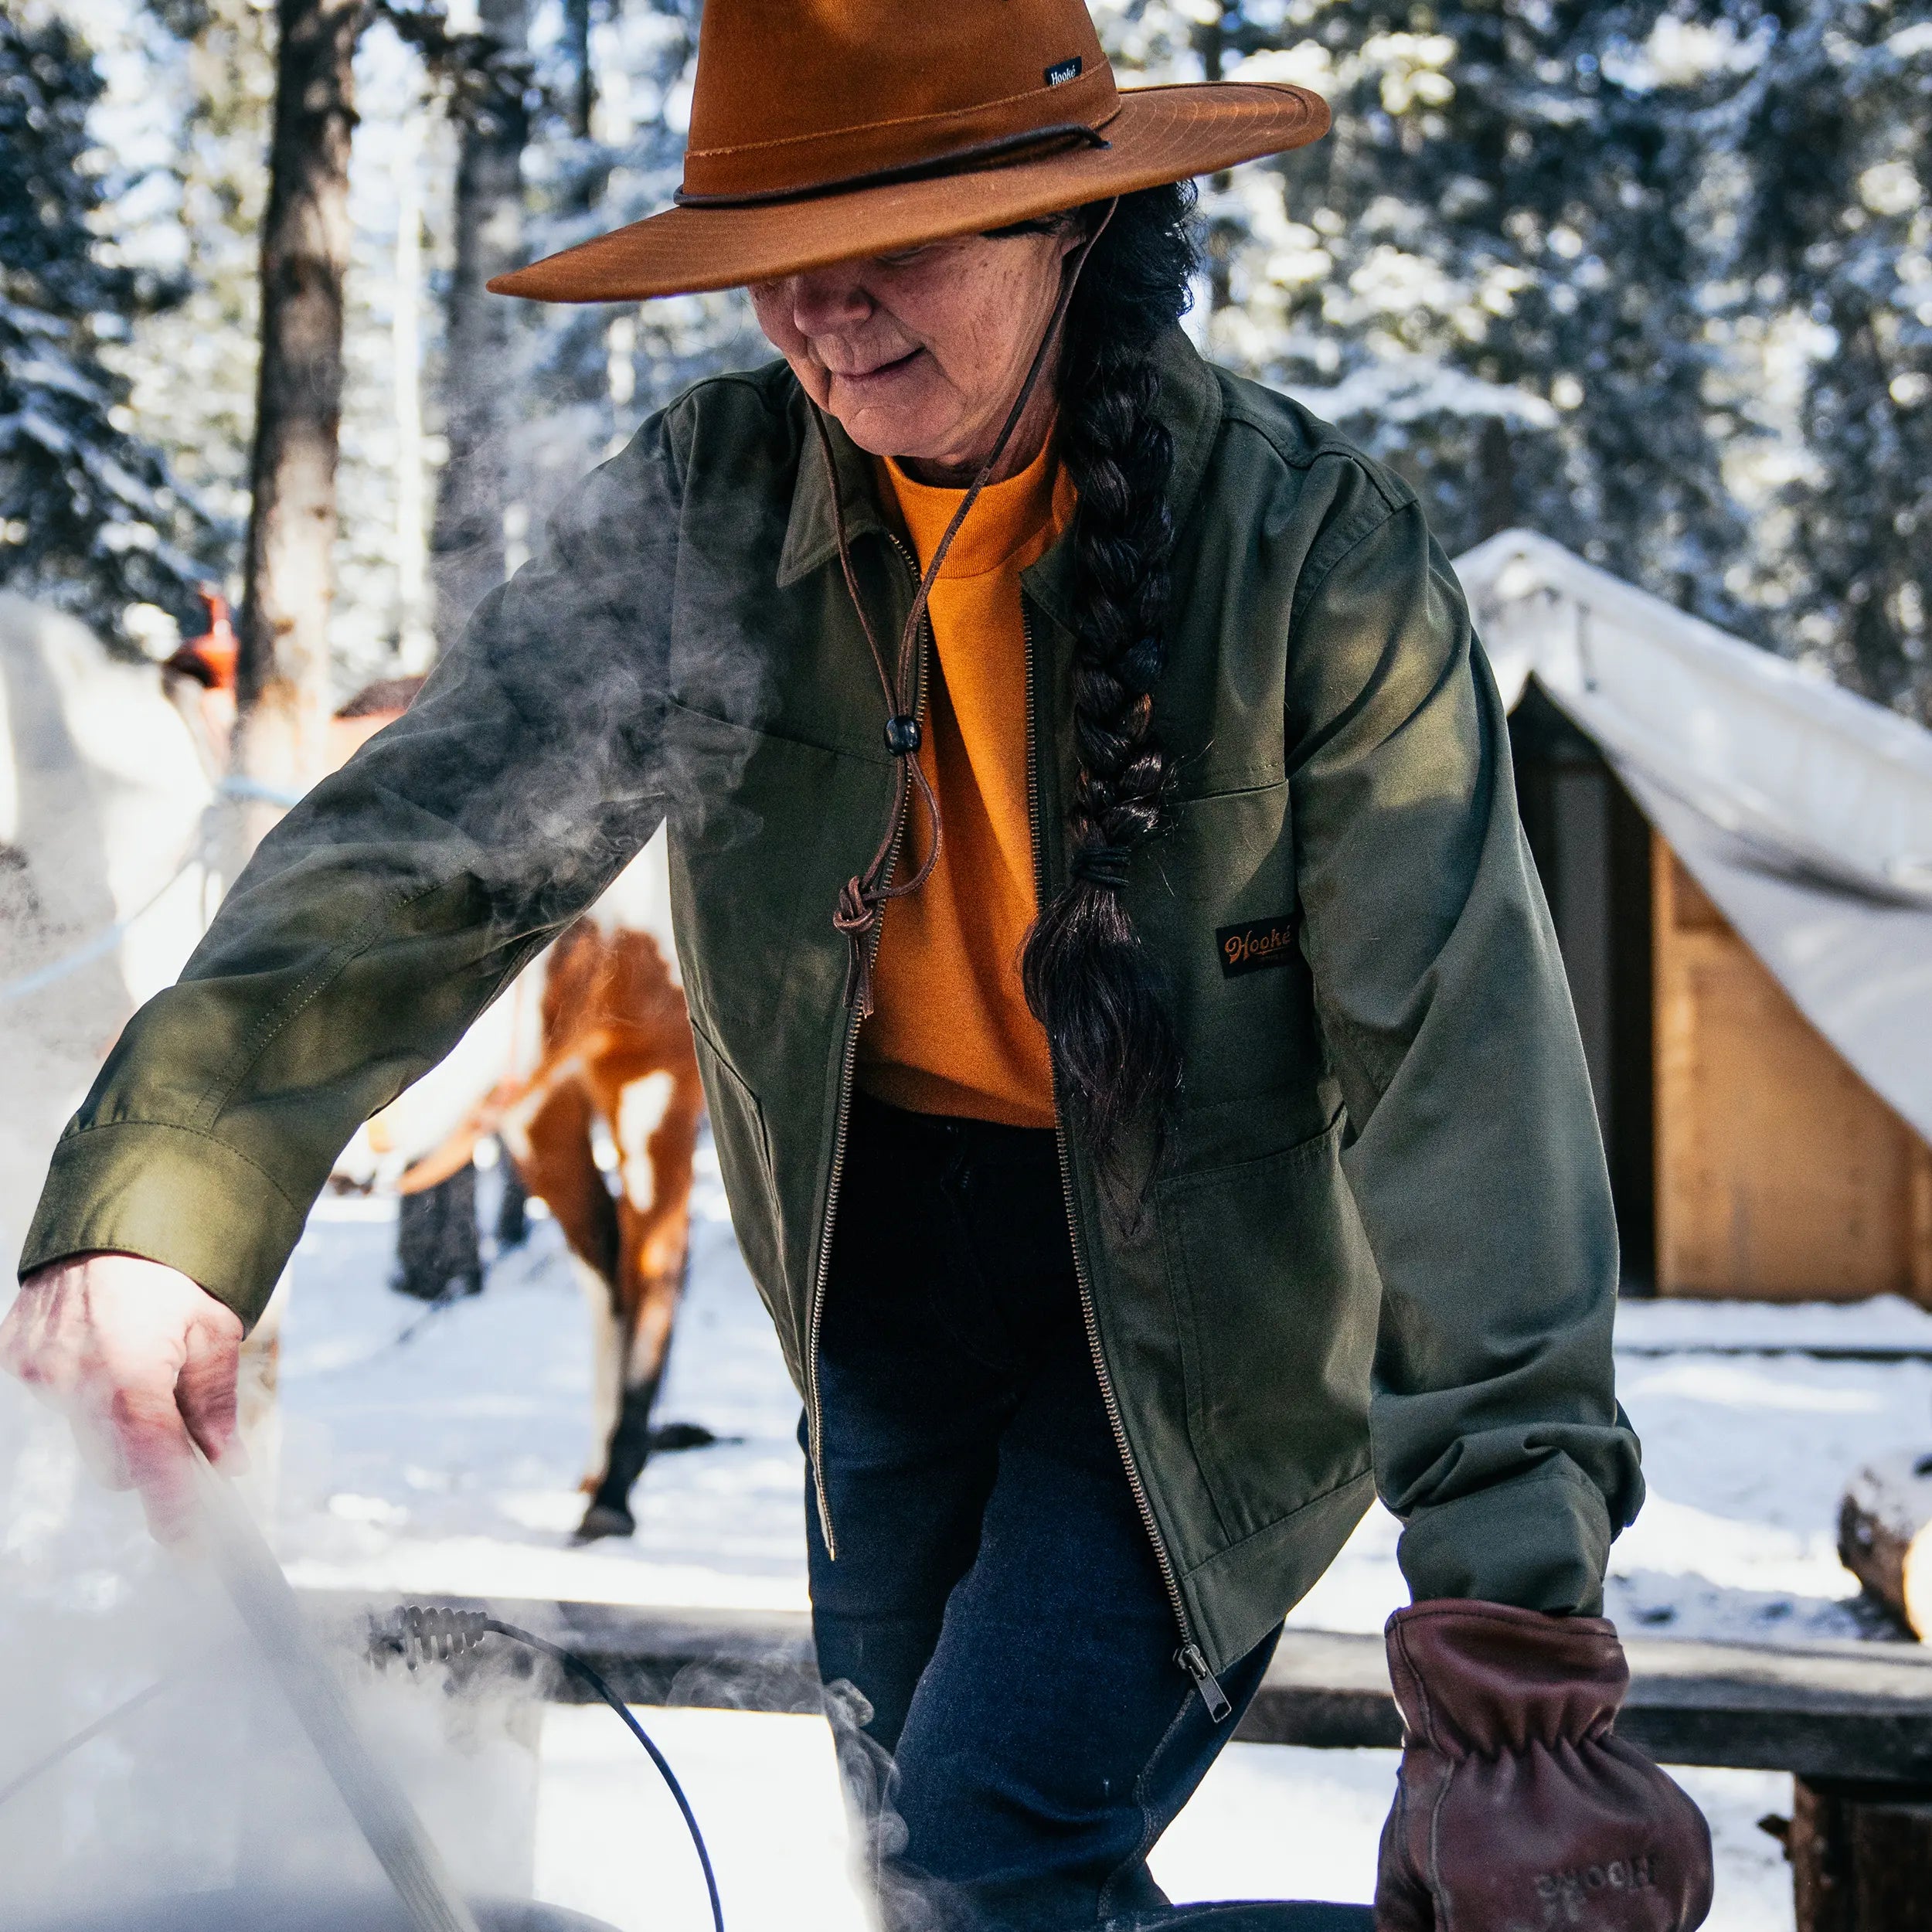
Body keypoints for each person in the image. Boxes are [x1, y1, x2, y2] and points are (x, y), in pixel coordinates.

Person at [2, 5, 1713, 1928]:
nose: (817, 313)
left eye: (886, 243)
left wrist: (1514, 1657)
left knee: (981, 1851)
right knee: (918, 1879)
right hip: (880, 1278)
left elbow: (1459, 1076)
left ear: (1069, 221)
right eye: (767, 266)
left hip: (1193, 1306)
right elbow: (425, 849)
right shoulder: (705, 515)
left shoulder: (1312, 561)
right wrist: (165, 1199)